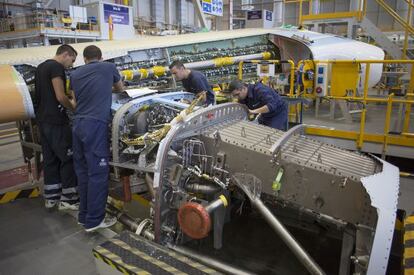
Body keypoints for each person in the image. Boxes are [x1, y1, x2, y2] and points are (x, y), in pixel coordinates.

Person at [70, 45, 123, 232]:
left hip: (77, 124)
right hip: (95, 125)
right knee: (98, 174)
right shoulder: (108, 67)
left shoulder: (74, 74)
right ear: (100, 57)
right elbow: (120, 88)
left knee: (83, 173)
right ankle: (94, 221)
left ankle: (83, 216)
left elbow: (74, 101)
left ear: (84, 59)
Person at [34, 44, 79, 211]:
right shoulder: (56, 67)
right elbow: (60, 96)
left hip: (43, 121)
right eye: (72, 60)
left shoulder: (40, 67)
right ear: (66, 54)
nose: (71, 65)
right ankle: (69, 199)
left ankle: (51, 197)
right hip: (56, 121)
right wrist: (73, 107)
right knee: (68, 158)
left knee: (50, 159)